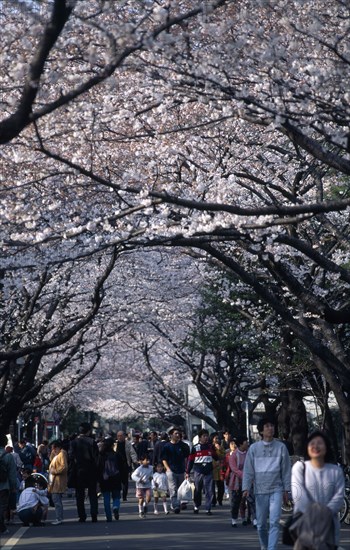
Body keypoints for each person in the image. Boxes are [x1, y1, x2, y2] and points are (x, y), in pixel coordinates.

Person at [242, 417, 291, 550]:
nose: (271, 428)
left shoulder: (281, 447)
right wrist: (245, 487)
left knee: (274, 522)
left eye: (272, 426)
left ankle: (271, 548)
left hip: (277, 489)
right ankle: (265, 545)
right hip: (260, 490)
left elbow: (286, 470)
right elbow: (248, 470)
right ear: (261, 431)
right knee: (261, 524)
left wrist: (287, 490)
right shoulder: (253, 448)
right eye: (267, 426)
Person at [291, 430, 345, 549]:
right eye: (312, 443)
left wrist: (326, 513)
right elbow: (299, 497)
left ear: (326, 447)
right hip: (305, 524)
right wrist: (315, 515)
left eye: (320, 443)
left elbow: (339, 496)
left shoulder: (335, 471)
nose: (315, 446)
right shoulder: (300, 468)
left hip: (329, 526)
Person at [69, 422, 99, 522]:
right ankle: (94, 514)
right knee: (92, 494)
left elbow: (71, 457)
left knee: (79, 494)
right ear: (89, 431)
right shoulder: (92, 442)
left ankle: (82, 516)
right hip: (91, 471)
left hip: (79, 471)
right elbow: (96, 458)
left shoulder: (74, 442)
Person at [186, 428, 217, 515]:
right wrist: (187, 472)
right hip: (198, 471)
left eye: (207, 436)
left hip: (209, 471)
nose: (206, 438)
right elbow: (190, 461)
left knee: (209, 490)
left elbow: (216, 457)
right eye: (204, 436)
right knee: (197, 489)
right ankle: (196, 506)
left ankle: (208, 508)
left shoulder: (211, 447)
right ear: (200, 438)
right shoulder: (195, 448)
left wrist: (215, 450)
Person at [161, 427, 190, 514]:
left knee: (181, 488)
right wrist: (168, 469)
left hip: (181, 470)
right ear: (171, 435)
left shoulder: (183, 445)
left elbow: (186, 458)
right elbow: (164, 459)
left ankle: (181, 502)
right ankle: (175, 505)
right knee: (173, 489)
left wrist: (186, 470)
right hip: (171, 470)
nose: (178, 435)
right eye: (176, 433)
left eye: (179, 434)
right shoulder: (167, 446)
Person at [97, 436, 123, 522]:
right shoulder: (116, 455)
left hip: (105, 479)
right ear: (112, 445)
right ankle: (115, 507)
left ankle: (109, 517)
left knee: (106, 498)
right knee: (116, 496)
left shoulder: (101, 455)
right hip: (116, 477)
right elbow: (122, 467)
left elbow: (98, 467)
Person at [228, 435, 249, 527]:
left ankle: (246, 518)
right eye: (246, 442)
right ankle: (234, 519)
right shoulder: (234, 455)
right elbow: (234, 469)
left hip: (248, 481)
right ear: (240, 444)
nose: (247, 444)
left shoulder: (249, 453)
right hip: (236, 481)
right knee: (236, 501)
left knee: (249, 501)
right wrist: (244, 475)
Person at [0, 434, 18, 535]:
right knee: (2, 508)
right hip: (3, 486)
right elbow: (12, 474)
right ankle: (2, 527)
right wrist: (13, 487)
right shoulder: (8, 456)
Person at [48, 439, 68, 525]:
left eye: (54, 448)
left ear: (58, 447)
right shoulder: (57, 454)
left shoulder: (62, 454)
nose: (53, 450)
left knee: (57, 500)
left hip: (57, 480)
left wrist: (54, 471)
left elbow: (64, 467)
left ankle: (59, 518)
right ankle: (59, 517)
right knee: (56, 500)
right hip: (54, 481)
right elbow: (51, 459)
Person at [115, 430, 137, 501]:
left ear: (124, 436)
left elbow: (132, 453)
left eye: (121, 436)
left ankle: (124, 496)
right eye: (118, 436)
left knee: (125, 482)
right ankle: (117, 495)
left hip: (125, 465)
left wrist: (134, 460)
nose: (119, 437)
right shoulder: (115, 444)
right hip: (116, 466)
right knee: (117, 482)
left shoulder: (128, 444)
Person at [131, 454, 153, 518]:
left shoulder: (151, 468)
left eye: (149, 460)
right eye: (146, 460)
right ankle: (141, 511)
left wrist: (151, 478)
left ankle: (145, 505)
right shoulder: (139, 469)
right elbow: (133, 476)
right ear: (142, 461)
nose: (148, 462)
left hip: (148, 485)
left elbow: (152, 474)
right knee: (141, 498)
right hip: (140, 486)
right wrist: (139, 480)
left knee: (148, 498)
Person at [211, 432, 226, 507]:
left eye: (218, 438)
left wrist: (219, 449)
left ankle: (219, 499)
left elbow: (223, 456)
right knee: (212, 486)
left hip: (220, 469)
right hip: (212, 468)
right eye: (215, 438)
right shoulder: (210, 447)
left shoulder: (221, 447)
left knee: (221, 486)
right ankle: (213, 501)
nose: (217, 440)